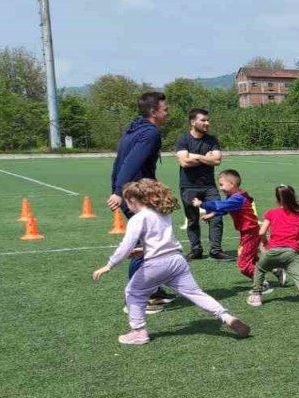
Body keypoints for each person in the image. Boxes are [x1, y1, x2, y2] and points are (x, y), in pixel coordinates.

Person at [92, 179, 250, 345]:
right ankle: (227, 316)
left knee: (133, 292)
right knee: (196, 293)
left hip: (156, 264)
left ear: (132, 200)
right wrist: (142, 251)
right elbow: (161, 241)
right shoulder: (163, 213)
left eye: (126, 201)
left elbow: (126, 246)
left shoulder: (138, 219)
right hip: (177, 260)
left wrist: (109, 265)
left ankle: (138, 331)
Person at [107, 91, 175, 307]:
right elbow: (130, 163)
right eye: (165, 109)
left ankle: (152, 291)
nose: (168, 112)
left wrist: (119, 188)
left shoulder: (134, 128)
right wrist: (119, 191)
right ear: (154, 112)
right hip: (136, 194)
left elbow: (121, 161)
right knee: (144, 245)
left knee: (148, 242)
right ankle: (137, 298)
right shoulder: (150, 133)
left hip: (134, 192)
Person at [247, 185, 299, 312]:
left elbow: (261, 232)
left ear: (277, 200)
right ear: (293, 198)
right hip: (291, 253)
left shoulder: (271, 213)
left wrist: (265, 242)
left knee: (259, 268)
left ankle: (256, 296)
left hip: (272, 251)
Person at [175, 108, 231, 261]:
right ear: (193, 122)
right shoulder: (183, 139)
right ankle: (196, 250)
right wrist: (205, 158)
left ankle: (216, 250)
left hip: (209, 186)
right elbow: (184, 162)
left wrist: (196, 156)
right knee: (192, 219)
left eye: (208, 120)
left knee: (217, 216)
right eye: (203, 120)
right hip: (188, 186)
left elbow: (217, 161)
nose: (207, 123)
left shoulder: (212, 140)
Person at [193, 169, 260, 283]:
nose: (220, 188)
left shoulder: (237, 198)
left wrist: (202, 204)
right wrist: (213, 214)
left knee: (243, 264)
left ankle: (262, 283)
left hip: (250, 233)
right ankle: (275, 270)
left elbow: (220, 205)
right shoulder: (235, 196)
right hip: (250, 231)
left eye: (222, 185)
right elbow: (226, 208)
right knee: (253, 258)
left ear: (232, 184)